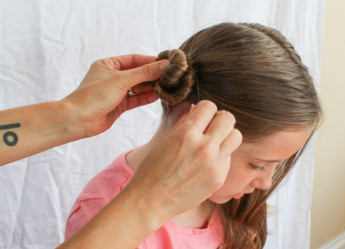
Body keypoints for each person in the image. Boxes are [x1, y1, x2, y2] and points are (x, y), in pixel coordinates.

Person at [65, 22, 322, 249]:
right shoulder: (100, 214)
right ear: (196, 123)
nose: (266, 183)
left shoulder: (230, 197)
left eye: (274, 166)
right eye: (258, 165)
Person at [0, 54, 241, 248]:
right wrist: (147, 202)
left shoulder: (231, 207)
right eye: (258, 164)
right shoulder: (100, 204)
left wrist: (72, 113)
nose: (265, 183)